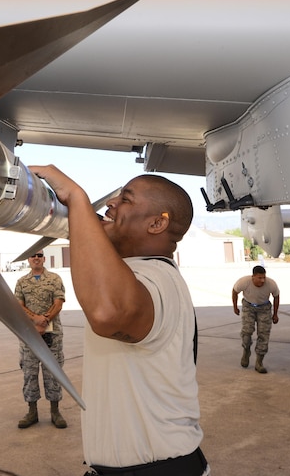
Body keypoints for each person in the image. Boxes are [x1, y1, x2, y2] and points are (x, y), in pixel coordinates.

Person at [31, 166, 208, 476]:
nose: (110, 204)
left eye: (125, 199)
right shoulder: (139, 273)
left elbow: (107, 313)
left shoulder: (159, 278)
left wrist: (77, 199)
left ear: (157, 222)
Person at [13, 251, 67, 429]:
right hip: (29, 336)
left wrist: (45, 320)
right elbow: (18, 305)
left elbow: (58, 302)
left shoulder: (54, 279)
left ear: (44, 259)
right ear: (28, 260)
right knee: (30, 373)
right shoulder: (21, 282)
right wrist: (35, 319)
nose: (36, 258)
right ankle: (32, 412)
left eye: (39, 255)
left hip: (52, 335)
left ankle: (55, 411)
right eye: (32, 256)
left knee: (53, 373)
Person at [232, 265, 280, 374]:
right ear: (253, 276)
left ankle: (259, 362)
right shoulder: (243, 282)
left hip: (264, 308)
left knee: (264, 334)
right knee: (246, 331)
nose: (262, 280)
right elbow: (235, 291)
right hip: (248, 306)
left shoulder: (271, 284)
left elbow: (276, 296)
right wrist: (235, 306)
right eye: (259, 278)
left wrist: (275, 314)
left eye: (264, 277)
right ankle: (246, 350)